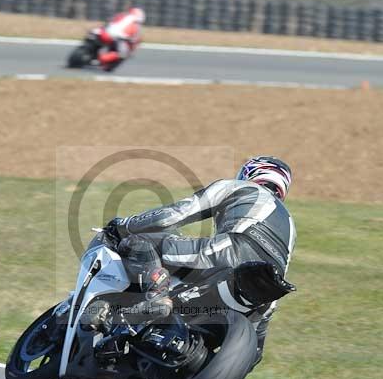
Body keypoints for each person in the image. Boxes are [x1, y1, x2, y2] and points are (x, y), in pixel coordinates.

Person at [106, 156, 297, 367]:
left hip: (228, 252)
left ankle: (156, 296)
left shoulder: (239, 187)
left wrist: (125, 225)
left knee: (138, 242)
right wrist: (255, 347)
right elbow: (277, 281)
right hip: (264, 290)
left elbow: (174, 215)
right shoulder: (289, 224)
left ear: (250, 173)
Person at [93, 7, 145, 71]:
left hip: (105, 32)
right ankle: (102, 59)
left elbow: (109, 21)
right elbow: (135, 40)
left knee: (95, 34)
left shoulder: (122, 15)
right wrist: (132, 50)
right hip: (119, 38)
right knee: (122, 54)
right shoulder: (137, 26)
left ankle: (99, 55)